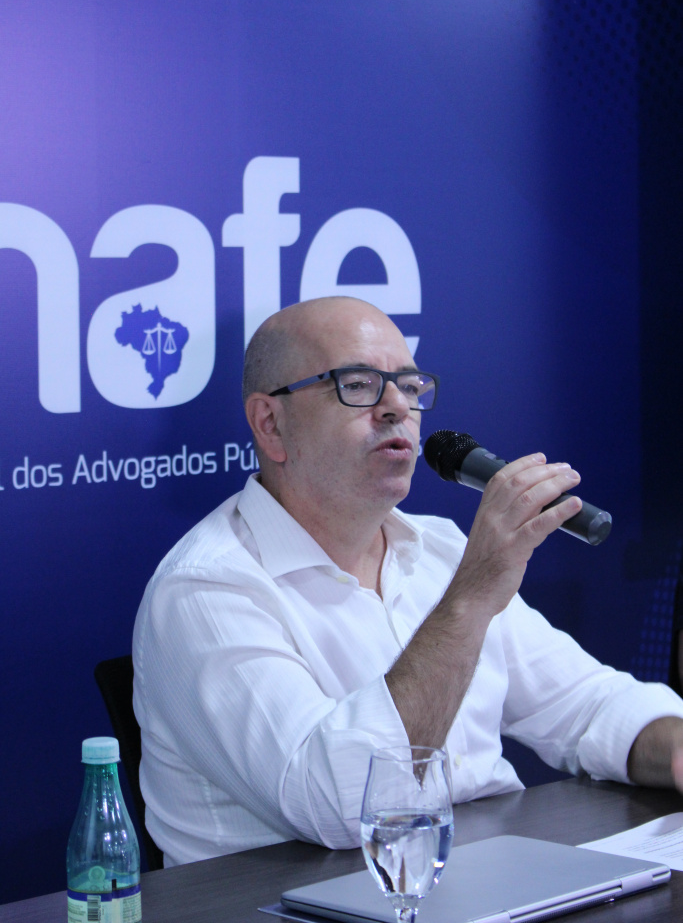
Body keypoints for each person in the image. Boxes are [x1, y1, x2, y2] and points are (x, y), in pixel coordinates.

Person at [133, 296, 683, 867]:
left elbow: (589, 708)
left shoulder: (439, 548)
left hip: (479, 878)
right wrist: (470, 599)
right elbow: (341, 806)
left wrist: (674, 748)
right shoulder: (204, 589)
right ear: (271, 424)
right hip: (296, 898)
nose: (397, 406)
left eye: (410, 386)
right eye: (358, 385)